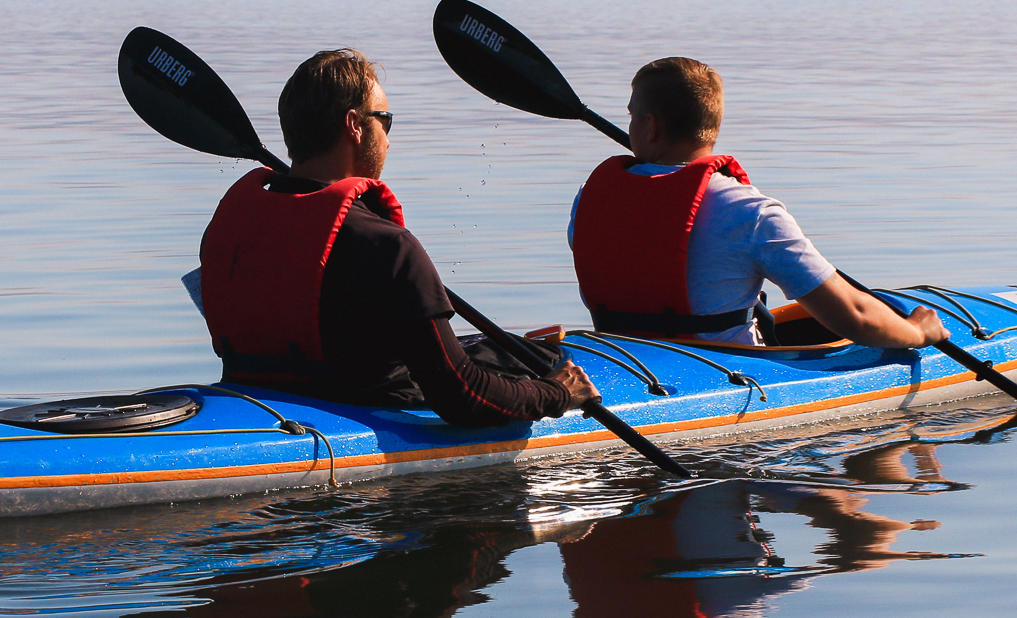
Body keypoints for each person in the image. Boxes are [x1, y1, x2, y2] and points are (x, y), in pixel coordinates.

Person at [198, 48, 593, 425]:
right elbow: (463, 397)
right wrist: (556, 393)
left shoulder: (230, 226)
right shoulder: (388, 247)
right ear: (354, 126)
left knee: (504, 351)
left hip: (255, 396)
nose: (388, 138)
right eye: (384, 120)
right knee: (523, 362)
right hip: (366, 411)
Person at [568, 57, 946, 349]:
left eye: (632, 116)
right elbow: (856, 319)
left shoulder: (589, 197)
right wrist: (917, 331)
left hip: (623, 359)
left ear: (651, 126)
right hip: (724, 375)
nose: (632, 125)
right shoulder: (751, 212)